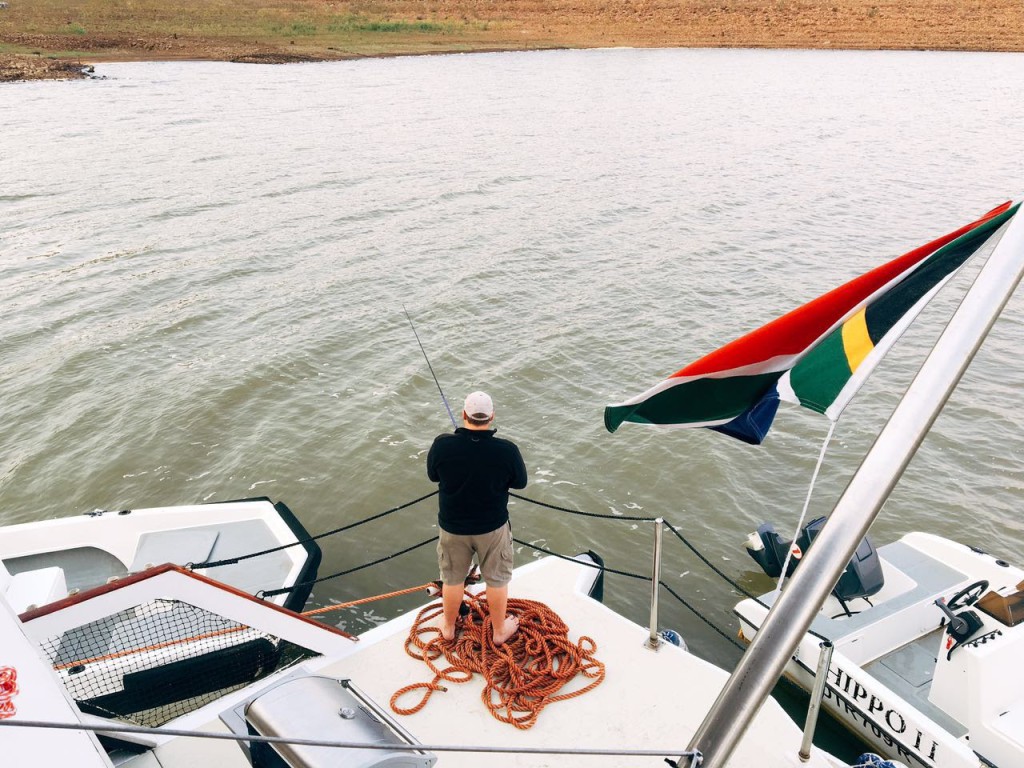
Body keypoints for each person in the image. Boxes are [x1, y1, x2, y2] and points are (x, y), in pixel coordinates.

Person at [426, 390, 527, 645]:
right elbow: (520, 482)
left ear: (464, 414)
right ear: (491, 417)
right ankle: (499, 631)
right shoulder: (507, 450)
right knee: (497, 580)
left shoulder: (442, 445)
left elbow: (433, 475)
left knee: (452, 580)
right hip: (492, 527)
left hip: (453, 527)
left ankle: (449, 628)